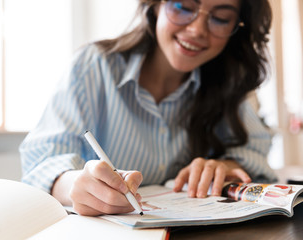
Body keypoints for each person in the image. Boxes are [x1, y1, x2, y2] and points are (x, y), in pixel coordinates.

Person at [19, 0, 278, 216]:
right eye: (183, 6)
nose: (198, 30)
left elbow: (257, 153)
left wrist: (226, 164)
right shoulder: (93, 67)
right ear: (155, 5)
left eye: (221, 18)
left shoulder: (226, 83)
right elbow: (42, 163)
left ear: (237, 26)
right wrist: (75, 184)